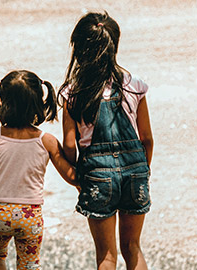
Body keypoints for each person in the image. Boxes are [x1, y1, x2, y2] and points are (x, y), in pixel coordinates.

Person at [58, 11, 154, 270]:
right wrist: (143, 169)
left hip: (98, 175)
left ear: (77, 48)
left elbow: (69, 144)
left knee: (106, 255)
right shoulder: (133, 85)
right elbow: (146, 138)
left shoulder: (73, 93)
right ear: (115, 45)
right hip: (136, 171)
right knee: (132, 248)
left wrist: (78, 176)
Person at [0, 70, 78, 270]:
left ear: (3, 101)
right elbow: (71, 176)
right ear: (39, 101)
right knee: (29, 264)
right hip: (30, 214)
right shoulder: (46, 141)